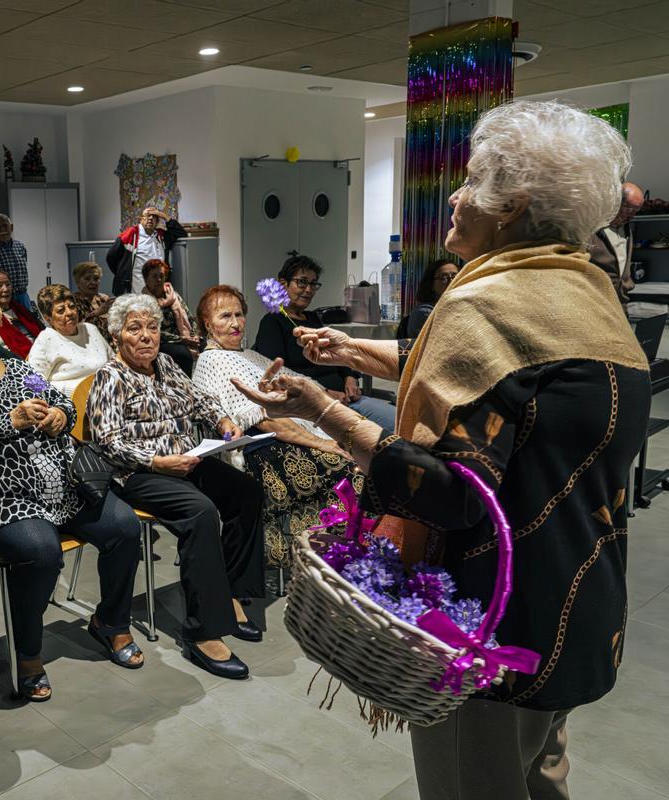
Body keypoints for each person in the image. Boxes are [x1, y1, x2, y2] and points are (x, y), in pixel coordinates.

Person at [233, 100, 650, 800]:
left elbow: (452, 491)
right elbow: (513, 391)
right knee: (543, 778)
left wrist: (323, 408)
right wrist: (360, 353)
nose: (454, 196)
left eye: (473, 179)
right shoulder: (582, 290)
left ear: (512, 204)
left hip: (489, 624)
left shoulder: (483, 305)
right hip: (576, 604)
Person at [0, 287, 146, 701]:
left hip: (64, 487)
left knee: (125, 527)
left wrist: (62, 414)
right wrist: (12, 419)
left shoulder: (17, 366)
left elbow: (61, 401)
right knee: (41, 552)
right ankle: (28, 652)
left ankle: (110, 622)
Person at [87, 293, 265, 680]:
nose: (147, 336)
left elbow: (201, 400)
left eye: (152, 327)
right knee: (200, 512)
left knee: (246, 493)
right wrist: (156, 461)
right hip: (140, 472)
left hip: (187, 459)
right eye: (135, 328)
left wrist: (222, 421)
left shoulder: (166, 364)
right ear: (117, 335)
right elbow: (106, 440)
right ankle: (203, 633)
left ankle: (231, 594)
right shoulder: (110, 376)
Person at [191, 285, 361, 571]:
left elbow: (296, 382)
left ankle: (335, 558)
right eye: (225, 316)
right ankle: (332, 562)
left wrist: (329, 397)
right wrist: (322, 443)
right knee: (352, 472)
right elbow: (264, 418)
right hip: (264, 451)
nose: (235, 323)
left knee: (365, 458)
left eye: (239, 314)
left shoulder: (250, 356)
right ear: (208, 324)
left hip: (294, 439)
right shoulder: (212, 361)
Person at [253, 256, 396, 433]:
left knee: (401, 422)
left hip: (347, 399)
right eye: (302, 282)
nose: (309, 290)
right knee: (392, 431)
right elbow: (280, 375)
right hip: (317, 406)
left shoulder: (313, 318)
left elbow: (336, 355)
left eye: (313, 284)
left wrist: (349, 377)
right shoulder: (272, 322)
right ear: (283, 284)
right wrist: (323, 392)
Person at [26, 284, 113, 396]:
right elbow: (32, 384)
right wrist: (70, 391)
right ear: (48, 318)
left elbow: (113, 363)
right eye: (61, 311)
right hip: (72, 405)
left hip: (107, 396)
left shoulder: (90, 329)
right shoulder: (46, 339)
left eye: (72, 306)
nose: (69, 313)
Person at [106, 206, 187, 296]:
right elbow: (111, 257)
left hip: (156, 291)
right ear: (141, 219)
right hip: (134, 292)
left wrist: (163, 215)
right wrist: (123, 273)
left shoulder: (161, 236)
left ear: (157, 221)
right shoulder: (131, 234)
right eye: (147, 215)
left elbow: (181, 233)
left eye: (154, 216)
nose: (151, 218)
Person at [588, 181, 644, 306]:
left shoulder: (627, 229)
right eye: (629, 208)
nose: (632, 215)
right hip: (595, 302)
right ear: (616, 201)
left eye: (636, 210)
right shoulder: (592, 228)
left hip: (620, 303)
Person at [141, 258, 201, 375]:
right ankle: (185, 387)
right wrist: (182, 340)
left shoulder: (174, 296)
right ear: (146, 279)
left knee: (206, 345)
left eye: (161, 275)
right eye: (154, 276)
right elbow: (152, 330)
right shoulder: (143, 302)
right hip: (162, 341)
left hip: (184, 336)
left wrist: (194, 335)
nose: (159, 279)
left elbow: (189, 318)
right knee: (183, 355)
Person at [0, 269, 43, 359]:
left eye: (8, 284)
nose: (5, 289)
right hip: (16, 362)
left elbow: (42, 331)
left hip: (41, 354)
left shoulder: (21, 309)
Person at [404, 260, 460, 338]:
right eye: (443, 278)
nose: (451, 281)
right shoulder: (425, 312)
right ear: (431, 285)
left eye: (455, 276)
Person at [72, 261, 113, 331]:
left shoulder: (103, 299)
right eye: (87, 279)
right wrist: (97, 313)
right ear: (77, 281)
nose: (93, 282)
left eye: (96, 279)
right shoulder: (72, 301)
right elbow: (75, 328)